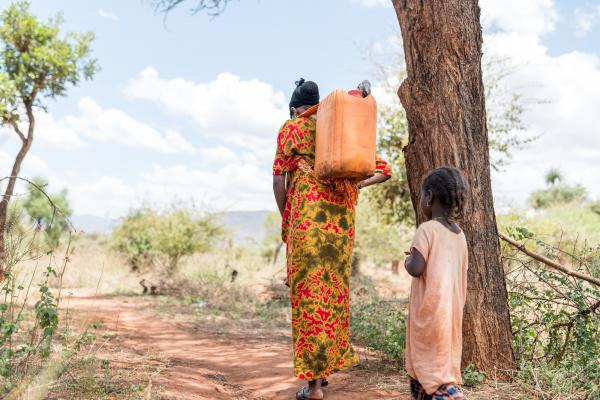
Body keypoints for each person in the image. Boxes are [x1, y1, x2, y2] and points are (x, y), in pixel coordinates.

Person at [272, 78, 391, 400]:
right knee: (331, 295)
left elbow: (279, 180)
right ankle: (323, 374)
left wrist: (288, 218)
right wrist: (351, 186)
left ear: (295, 108)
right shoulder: (337, 126)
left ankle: (313, 387)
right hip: (339, 224)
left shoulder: (292, 128)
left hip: (306, 222)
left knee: (309, 299)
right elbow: (383, 170)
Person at [404, 167, 469, 400]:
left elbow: (416, 268)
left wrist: (408, 259)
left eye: (422, 195)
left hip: (429, 315)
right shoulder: (459, 235)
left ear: (429, 197)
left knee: (431, 372)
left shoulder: (427, 230)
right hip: (449, 314)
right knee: (436, 366)